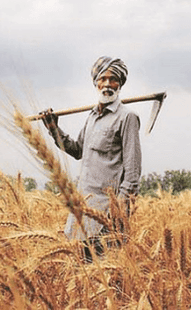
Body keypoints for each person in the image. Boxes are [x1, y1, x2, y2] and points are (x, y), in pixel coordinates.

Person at [40, 56, 142, 262]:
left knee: (106, 277)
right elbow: (77, 150)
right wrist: (53, 128)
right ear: (96, 82)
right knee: (80, 273)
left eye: (113, 79)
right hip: (83, 210)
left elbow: (132, 174)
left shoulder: (127, 117)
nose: (107, 84)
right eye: (102, 78)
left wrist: (118, 213)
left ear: (120, 83)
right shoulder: (92, 116)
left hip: (107, 214)